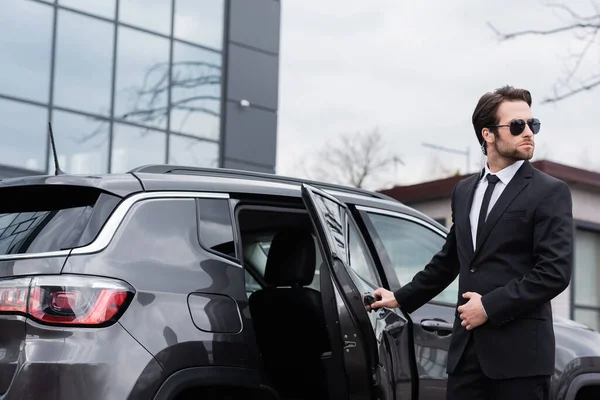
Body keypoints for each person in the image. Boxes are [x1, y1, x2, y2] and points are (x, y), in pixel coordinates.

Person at [369, 86, 573, 400]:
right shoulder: (464, 191)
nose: (529, 132)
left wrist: (488, 307)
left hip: (520, 360)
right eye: (517, 126)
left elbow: (554, 272)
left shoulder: (550, 191)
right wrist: (399, 298)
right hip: (466, 355)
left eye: (533, 124)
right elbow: (449, 259)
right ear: (488, 134)